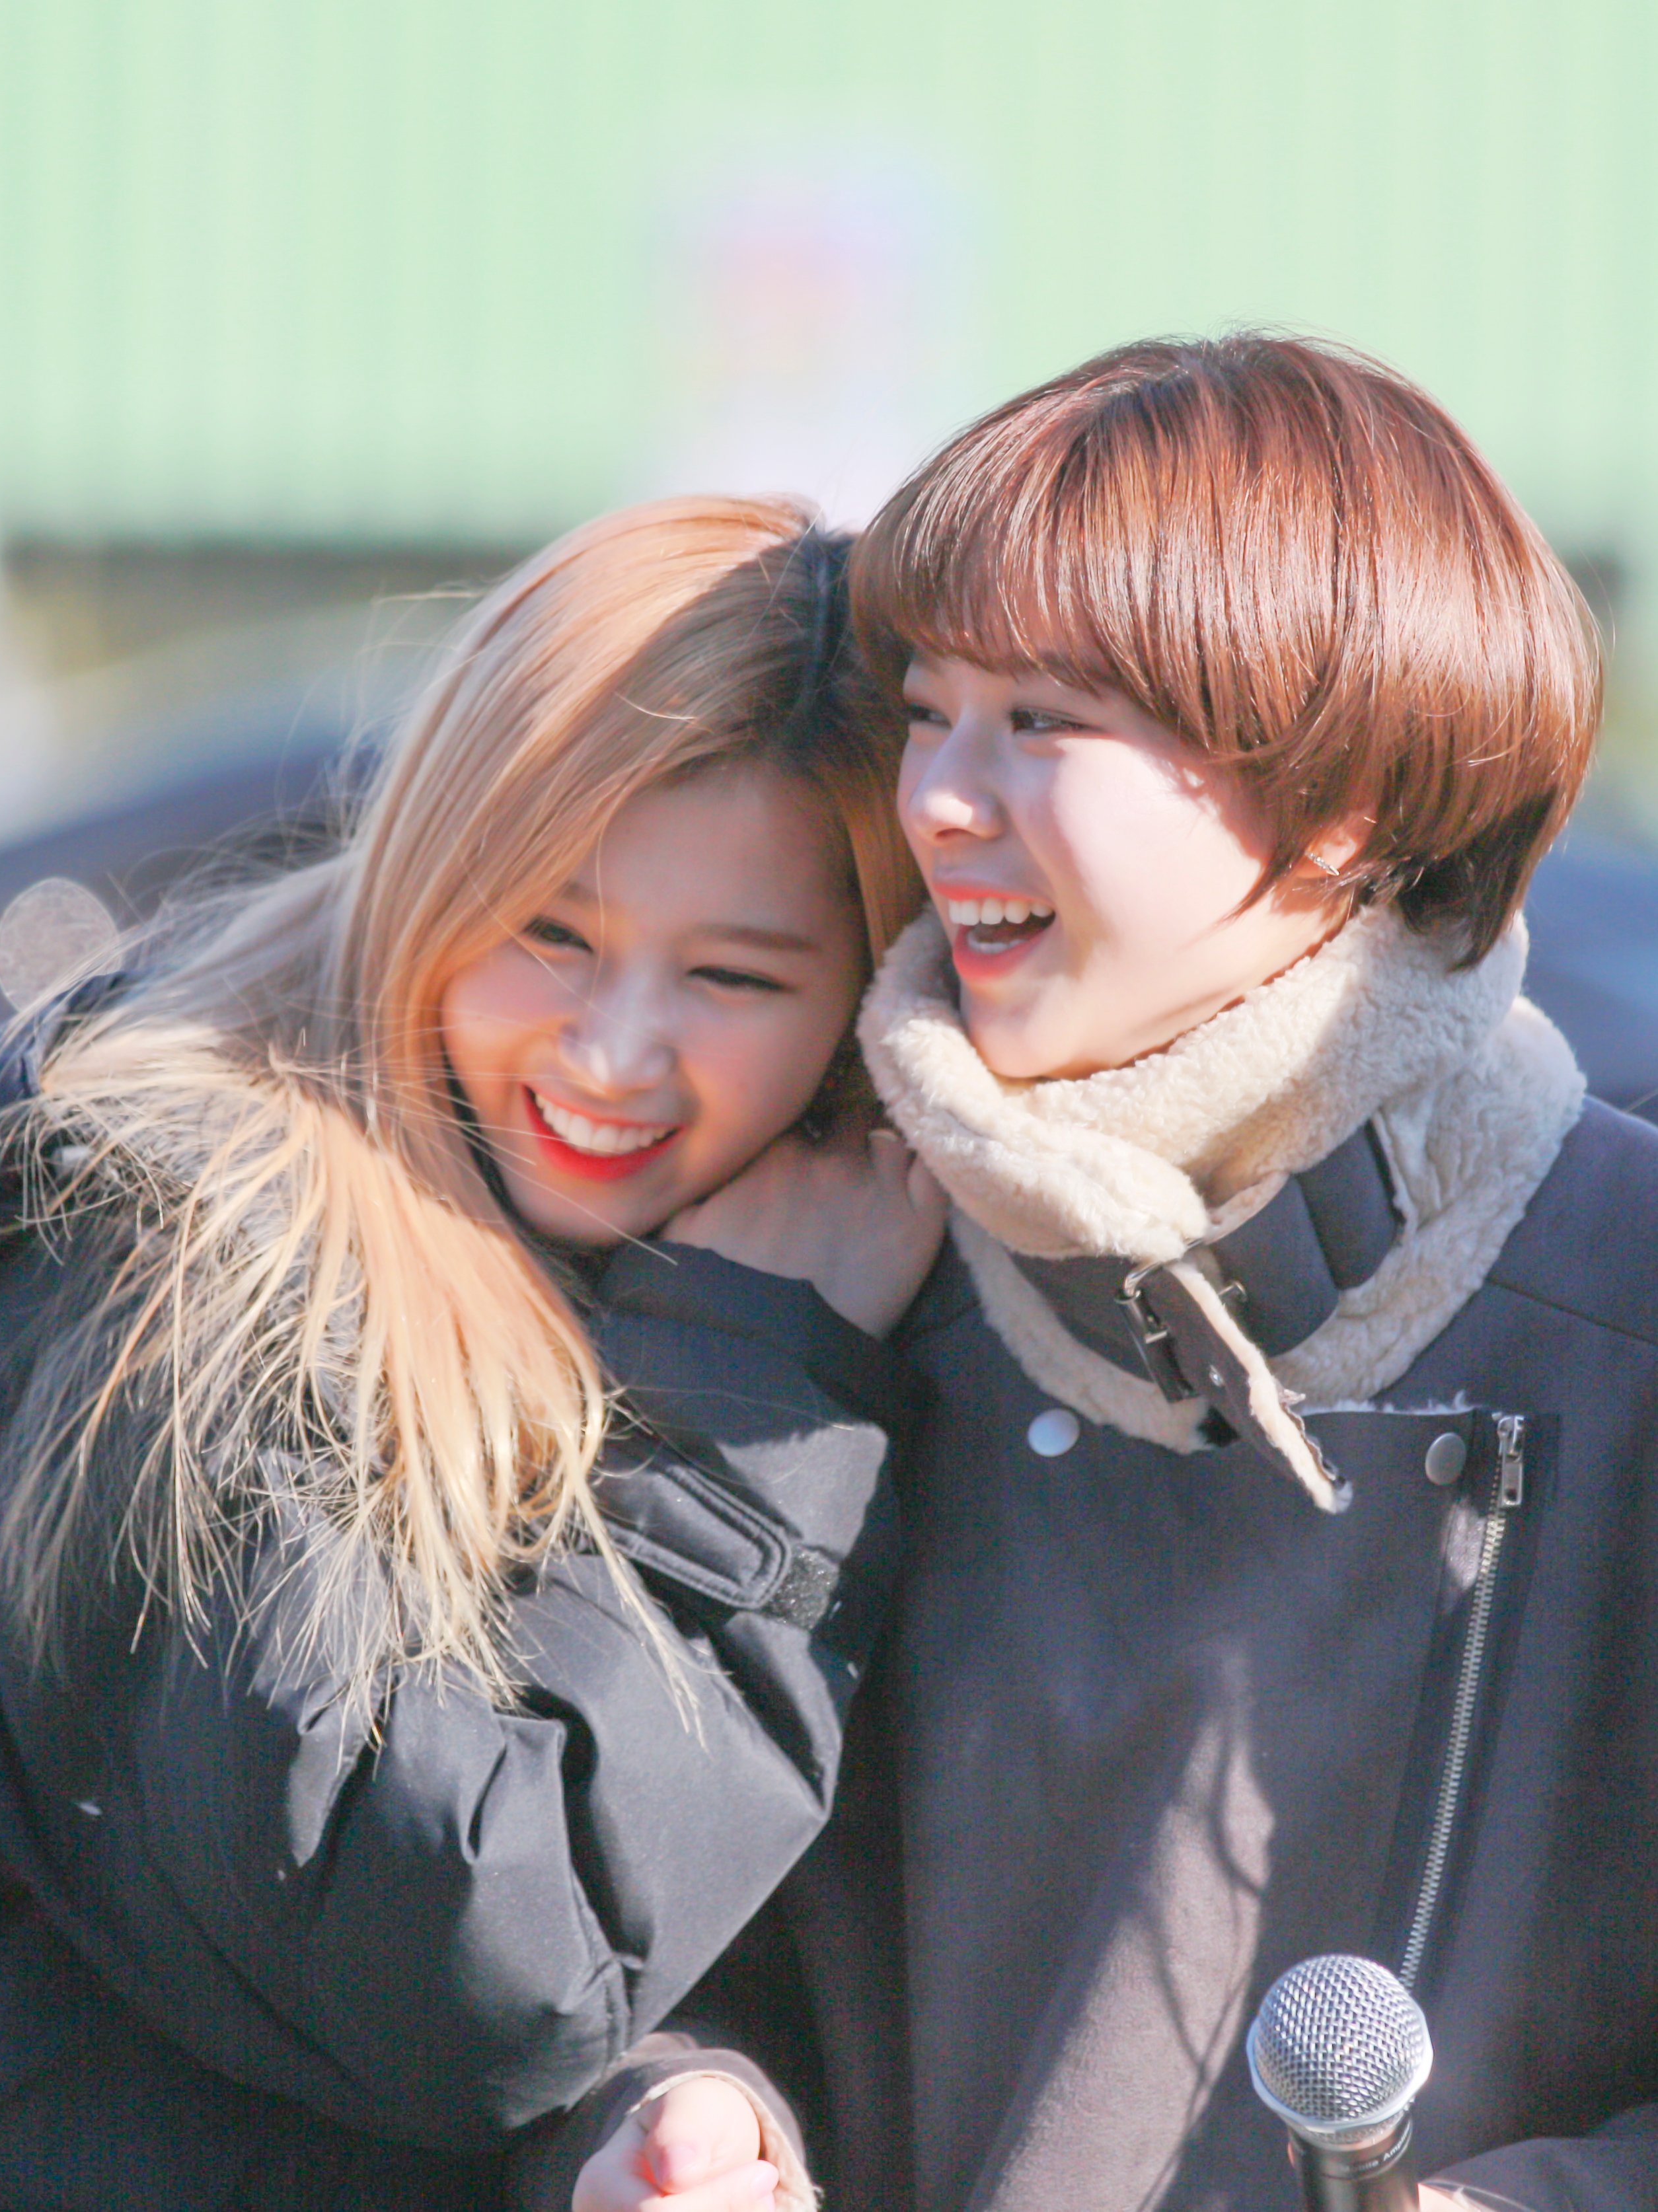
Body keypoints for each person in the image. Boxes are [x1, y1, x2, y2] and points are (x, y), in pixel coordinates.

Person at [541, 337, 1658, 2212]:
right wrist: (679, 2113)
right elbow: (593, 1941)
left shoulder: (1623, 1303)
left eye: (1044, 721)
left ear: (1346, 799)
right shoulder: (808, 1261)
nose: (938, 799)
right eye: (928, 709)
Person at [0, 497, 945, 2209]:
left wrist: (676, 2104)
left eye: (736, 979)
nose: (614, 1054)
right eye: (551, 933)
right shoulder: (176, 1243)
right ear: (433, 871)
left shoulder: (752, 1256)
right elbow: (464, 1961)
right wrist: (751, 1411)